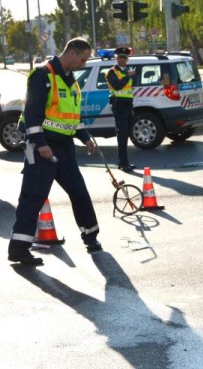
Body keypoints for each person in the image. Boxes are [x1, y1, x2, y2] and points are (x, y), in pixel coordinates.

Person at [8, 37, 101, 266]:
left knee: (79, 192)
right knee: (33, 198)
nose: (84, 63)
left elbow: (71, 117)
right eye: (83, 59)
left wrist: (85, 137)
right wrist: (41, 144)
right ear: (71, 53)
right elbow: (32, 115)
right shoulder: (42, 75)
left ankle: (91, 237)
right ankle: (19, 250)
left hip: (64, 148)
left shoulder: (70, 80)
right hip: (42, 148)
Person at [106, 47, 136, 172]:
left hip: (128, 106)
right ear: (116, 58)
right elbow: (117, 86)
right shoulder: (111, 72)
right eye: (120, 57)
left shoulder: (127, 72)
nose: (123, 59)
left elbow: (128, 91)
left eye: (125, 57)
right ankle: (123, 164)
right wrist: (127, 77)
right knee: (122, 135)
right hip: (119, 106)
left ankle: (123, 162)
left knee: (126, 135)